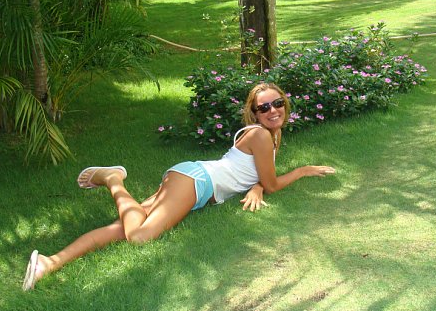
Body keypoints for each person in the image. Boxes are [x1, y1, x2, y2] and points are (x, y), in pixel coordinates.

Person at [22, 83, 335, 291]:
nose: (273, 111)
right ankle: (113, 179)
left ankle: (48, 263)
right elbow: (273, 183)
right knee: (141, 236)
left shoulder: (271, 134)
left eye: (277, 103)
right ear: (254, 114)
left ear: (285, 104)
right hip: (196, 181)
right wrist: (303, 170)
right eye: (264, 108)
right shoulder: (262, 134)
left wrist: (256, 187)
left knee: (122, 228)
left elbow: (257, 176)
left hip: (193, 180)